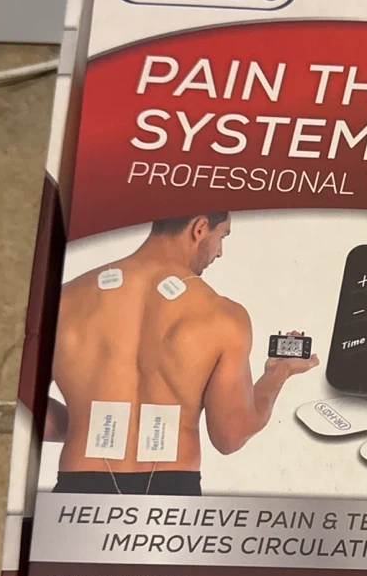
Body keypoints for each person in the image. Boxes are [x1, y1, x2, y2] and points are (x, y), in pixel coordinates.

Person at [44, 212, 318, 495]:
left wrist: (83, 426)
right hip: (171, 490)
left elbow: (26, 409)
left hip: (78, 488)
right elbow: (230, 436)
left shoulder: (64, 301)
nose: (220, 252)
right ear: (199, 228)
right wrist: (278, 373)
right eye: (222, 237)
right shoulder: (222, 315)